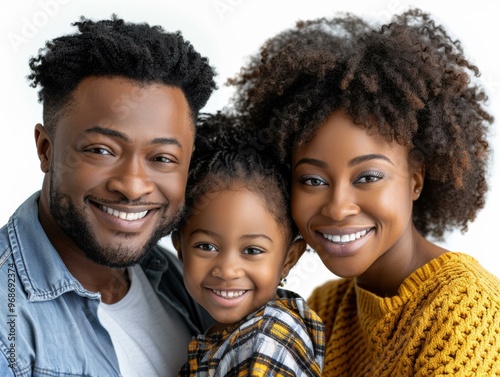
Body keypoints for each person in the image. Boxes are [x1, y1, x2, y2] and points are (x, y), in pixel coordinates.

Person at [229, 8, 500, 376]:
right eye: (312, 180)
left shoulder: (464, 305)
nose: (338, 207)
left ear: (416, 179)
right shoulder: (327, 307)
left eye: (368, 176)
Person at [0, 15, 217, 376]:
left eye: (162, 158)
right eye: (101, 150)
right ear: (46, 149)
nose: (132, 186)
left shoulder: (184, 278)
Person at [172, 112, 325, 376]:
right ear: (180, 248)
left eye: (252, 250)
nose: (228, 270)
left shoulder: (266, 340)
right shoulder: (226, 332)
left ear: (288, 259)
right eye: (206, 247)